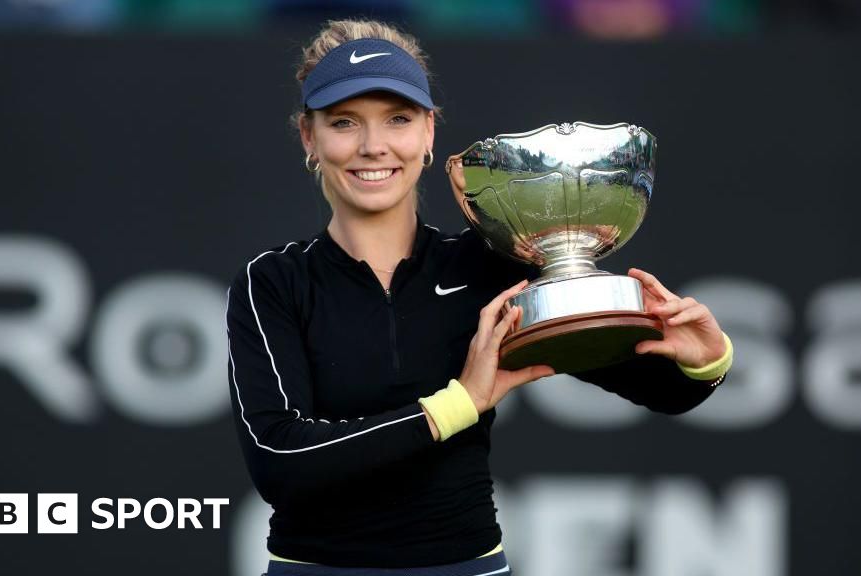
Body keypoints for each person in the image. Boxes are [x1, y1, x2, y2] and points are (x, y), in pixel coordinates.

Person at [225, 19, 733, 576]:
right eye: (344, 123)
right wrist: (457, 404)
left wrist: (702, 359)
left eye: (398, 119)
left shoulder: (487, 264)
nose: (373, 146)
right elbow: (281, 460)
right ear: (309, 138)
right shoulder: (273, 281)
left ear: (429, 134)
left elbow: (658, 389)